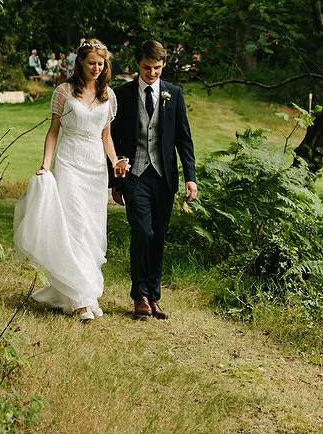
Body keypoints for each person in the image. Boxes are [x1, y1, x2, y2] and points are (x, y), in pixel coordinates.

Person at [13, 38, 130, 321]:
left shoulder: (108, 96)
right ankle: (80, 300)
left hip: (95, 169)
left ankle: (86, 291)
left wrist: (115, 163)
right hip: (69, 162)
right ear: (80, 62)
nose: (97, 68)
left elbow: (106, 137)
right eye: (92, 63)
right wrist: (45, 164)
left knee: (91, 230)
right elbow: (53, 132)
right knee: (73, 226)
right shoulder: (64, 92)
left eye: (101, 64)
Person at [109, 39, 197, 320]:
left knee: (158, 236)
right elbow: (112, 138)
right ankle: (140, 296)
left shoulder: (174, 94)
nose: (152, 73)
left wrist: (190, 178)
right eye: (147, 68)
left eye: (157, 68)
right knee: (142, 232)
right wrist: (117, 182)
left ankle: (154, 296)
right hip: (134, 175)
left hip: (163, 177)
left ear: (164, 65)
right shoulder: (122, 95)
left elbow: (184, 139)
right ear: (138, 65)